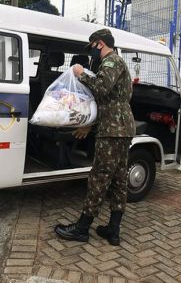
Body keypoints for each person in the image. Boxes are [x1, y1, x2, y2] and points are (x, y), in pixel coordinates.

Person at [54, 29, 135, 246]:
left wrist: (81, 73)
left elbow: (101, 89)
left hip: (113, 130)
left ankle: (82, 228)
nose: (92, 53)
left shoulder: (111, 62)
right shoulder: (116, 63)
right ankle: (113, 230)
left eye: (92, 48)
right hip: (120, 128)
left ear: (100, 44)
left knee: (99, 177)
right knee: (118, 179)